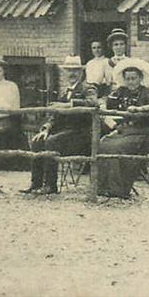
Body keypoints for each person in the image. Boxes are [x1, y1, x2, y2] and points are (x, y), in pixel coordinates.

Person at [23, 57, 97, 195]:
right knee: (38, 141)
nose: (72, 74)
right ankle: (36, 184)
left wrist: (69, 105)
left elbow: (93, 103)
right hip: (65, 135)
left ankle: (51, 186)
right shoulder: (65, 93)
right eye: (69, 70)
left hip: (82, 136)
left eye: (75, 70)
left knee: (52, 142)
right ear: (65, 73)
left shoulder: (88, 88)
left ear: (81, 72)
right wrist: (46, 128)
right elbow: (55, 116)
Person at [97, 60, 149, 199]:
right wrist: (103, 105)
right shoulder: (121, 91)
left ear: (140, 78)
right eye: (127, 79)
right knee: (103, 143)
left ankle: (119, 189)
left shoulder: (147, 91)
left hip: (142, 134)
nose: (131, 82)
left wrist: (140, 109)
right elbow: (104, 99)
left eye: (133, 78)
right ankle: (103, 186)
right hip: (124, 132)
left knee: (116, 148)